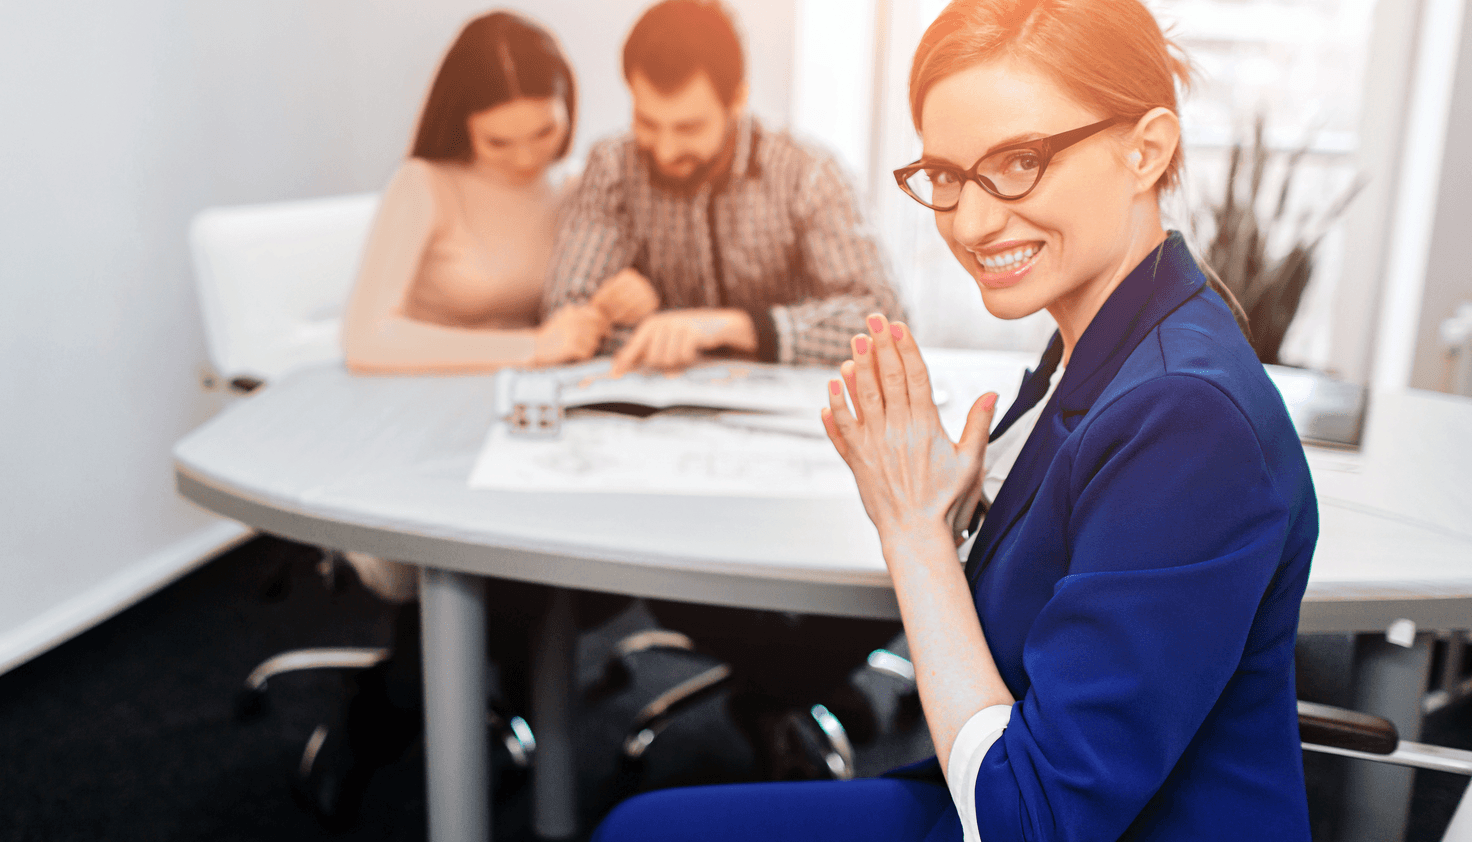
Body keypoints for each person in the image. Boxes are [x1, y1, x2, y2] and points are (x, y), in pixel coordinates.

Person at [592, 0, 1316, 839]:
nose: (969, 223)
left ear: (1145, 150)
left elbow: (1031, 821)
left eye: (1020, 162)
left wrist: (915, 530)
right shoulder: (1106, 337)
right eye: (946, 175)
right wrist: (964, 514)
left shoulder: (1188, 417)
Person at [542, 0, 911, 777]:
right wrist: (614, 311)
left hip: (807, 451)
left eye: (688, 127)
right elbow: (566, 313)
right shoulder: (615, 166)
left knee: (902, 558)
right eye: (650, 123)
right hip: (667, 460)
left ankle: (777, 682)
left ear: (737, 101)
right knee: (670, 562)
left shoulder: (804, 170)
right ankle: (788, 684)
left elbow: (879, 313)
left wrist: (732, 326)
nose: (664, 148)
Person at [301, 11, 610, 828]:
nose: (526, 158)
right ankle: (387, 707)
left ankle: (454, 689)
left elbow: (574, 307)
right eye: (498, 142)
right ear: (460, 123)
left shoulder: (570, 183)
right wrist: (529, 345)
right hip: (415, 436)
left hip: (519, 431)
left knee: (564, 556)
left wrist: (599, 312)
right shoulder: (426, 184)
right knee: (490, 574)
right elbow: (367, 339)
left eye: (543, 132)